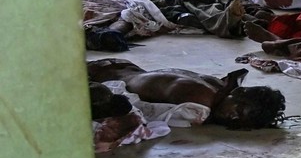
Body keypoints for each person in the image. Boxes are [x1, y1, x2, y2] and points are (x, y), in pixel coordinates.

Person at [85, 59, 286, 128]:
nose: (232, 117)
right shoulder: (202, 98)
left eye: (239, 119)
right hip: (97, 77)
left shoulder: (218, 86)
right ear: (238, 93)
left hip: (118, 67)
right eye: (238, 109)